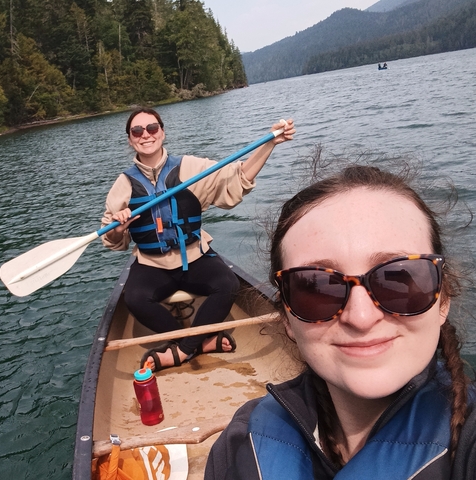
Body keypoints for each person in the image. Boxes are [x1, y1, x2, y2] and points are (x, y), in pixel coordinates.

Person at [205, 164, 476, 479]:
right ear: (287, 319)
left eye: (400, 278)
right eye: (316, 287)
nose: (361, 318)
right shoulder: (239, 446)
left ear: (443, 299)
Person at [100, 108, 295, 371]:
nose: (146, 135)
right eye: (137, 131)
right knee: (135, 298)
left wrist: (269, 144)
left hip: (193, 256)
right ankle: (199, 344)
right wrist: (119, 227)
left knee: (227, 284)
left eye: (152, 128)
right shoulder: (122, 185)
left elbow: (237, 178)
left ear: (162, 132)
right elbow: (112, 241)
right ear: (130, 139)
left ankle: (180, 351)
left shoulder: (192, 168)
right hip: (152, 264)